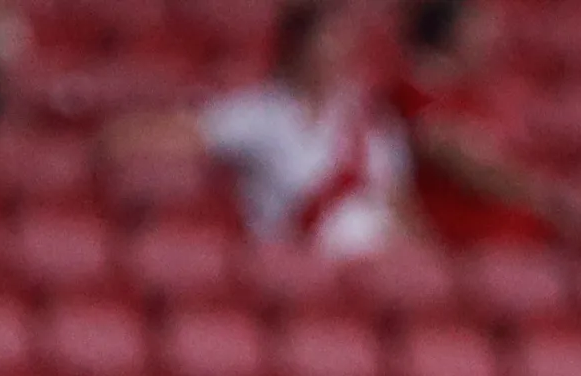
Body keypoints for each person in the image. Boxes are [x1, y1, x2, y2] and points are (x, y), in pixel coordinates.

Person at [104, 0, 406, 257]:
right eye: (327, 41)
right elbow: (184, 133)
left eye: (343, 42)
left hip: (372, 272)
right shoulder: (261, 112)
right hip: (298, 267)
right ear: (298, 48)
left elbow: (396, 200)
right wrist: (115, 137)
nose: (336, 54)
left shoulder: (371, 120)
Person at [386, 0, 571, 246]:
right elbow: (464, 162)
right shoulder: (414, 94)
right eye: (479, 27)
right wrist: (545, 198)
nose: (491, 36)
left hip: (503, 239)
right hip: (459, 240)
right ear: (452, 30)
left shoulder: (473, 94)